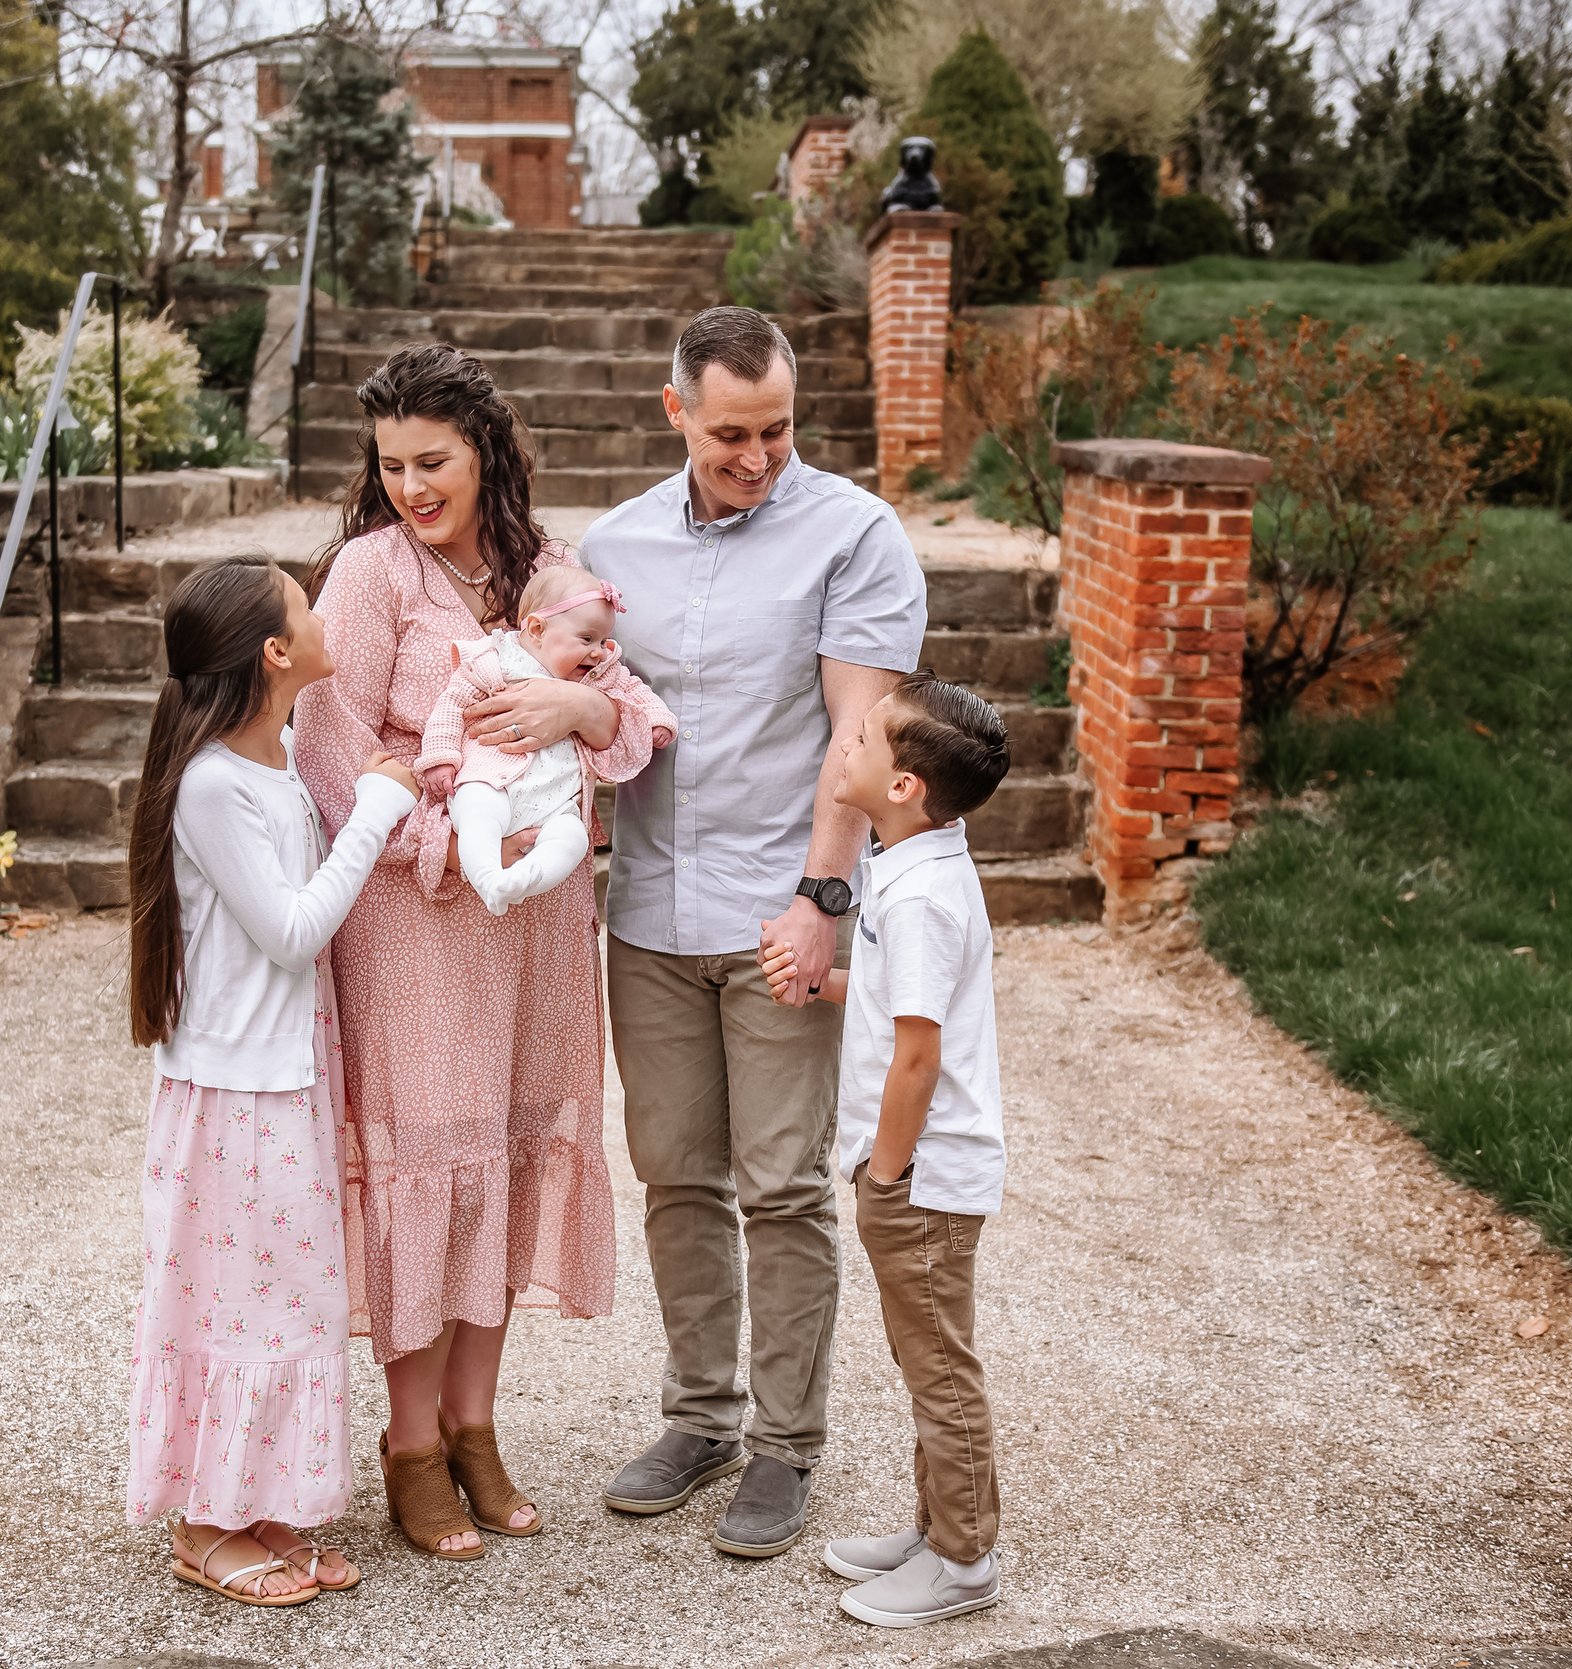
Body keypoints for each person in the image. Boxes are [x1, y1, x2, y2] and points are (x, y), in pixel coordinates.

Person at [293, 343, 671, 1560]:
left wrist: (580, 709)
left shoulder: (549, 573)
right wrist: (438, 842)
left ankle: (475, 1426)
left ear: (485, 451)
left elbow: (636, 725)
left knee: (505, 1153)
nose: (410, 484)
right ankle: (408, 1444)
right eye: (391, 463)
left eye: (432, 460)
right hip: (414, 916)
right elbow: (327, 748)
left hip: (536, 926)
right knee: (426, 1165)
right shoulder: (369, 572)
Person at [588, 305, 927, 1558]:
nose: (757, 455)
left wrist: (823, 903)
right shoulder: (612, 545)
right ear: (674, 409)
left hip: (780, 909)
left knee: (781, 1187)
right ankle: (699, 1416)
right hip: (648, 917)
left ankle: (786, 1447)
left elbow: (863, 740)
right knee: (676, 1176)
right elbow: (596, 710)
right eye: (730, 431)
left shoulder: (852, 534)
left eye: (777, 428)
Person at [119, 556, 420, 1607]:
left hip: (285, 1076)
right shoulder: (210, 783)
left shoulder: (276, 754)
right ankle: (204, 1527)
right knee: (233, 1306)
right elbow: (291, 932)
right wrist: (381, 807)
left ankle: (261, 1503)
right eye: (306, 603)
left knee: (289, 1299)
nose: (325, 609)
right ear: (275, 653)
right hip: (235, 1096)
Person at [758, 673, 1012, 1628]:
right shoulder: (912, 865)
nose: (845, 749)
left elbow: (917, 1054)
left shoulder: (920, 898)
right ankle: (936, 1524)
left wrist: (886, 1174)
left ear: (903, 784)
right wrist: (822, 984)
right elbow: (899, 1001)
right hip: (922, 1171)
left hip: (923, 1177)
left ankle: (962, 1560)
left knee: (940, 1365)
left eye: (860, 739)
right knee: (925, 1357)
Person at [419, 565, 675, 916]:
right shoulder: (496, 660)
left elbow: (634, 691)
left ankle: (526, 878)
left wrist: (658, 719)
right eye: (587, 639)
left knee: (572, 839)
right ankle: (488, 877)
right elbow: (451, 705)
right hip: (492, 781)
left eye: (603, 641)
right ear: (538, 629)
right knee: (477, 813)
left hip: (555, 803)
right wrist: (441, 756)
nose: (599, 651)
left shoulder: (599, 672)